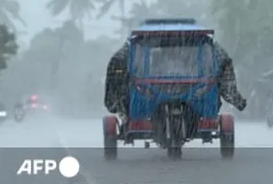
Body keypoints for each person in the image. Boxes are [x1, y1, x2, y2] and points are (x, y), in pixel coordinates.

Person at [103, 41, 247, 125]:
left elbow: (225, 79)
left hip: (171, 90)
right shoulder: (196, 55)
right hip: (177, 89)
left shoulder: (202, 60)